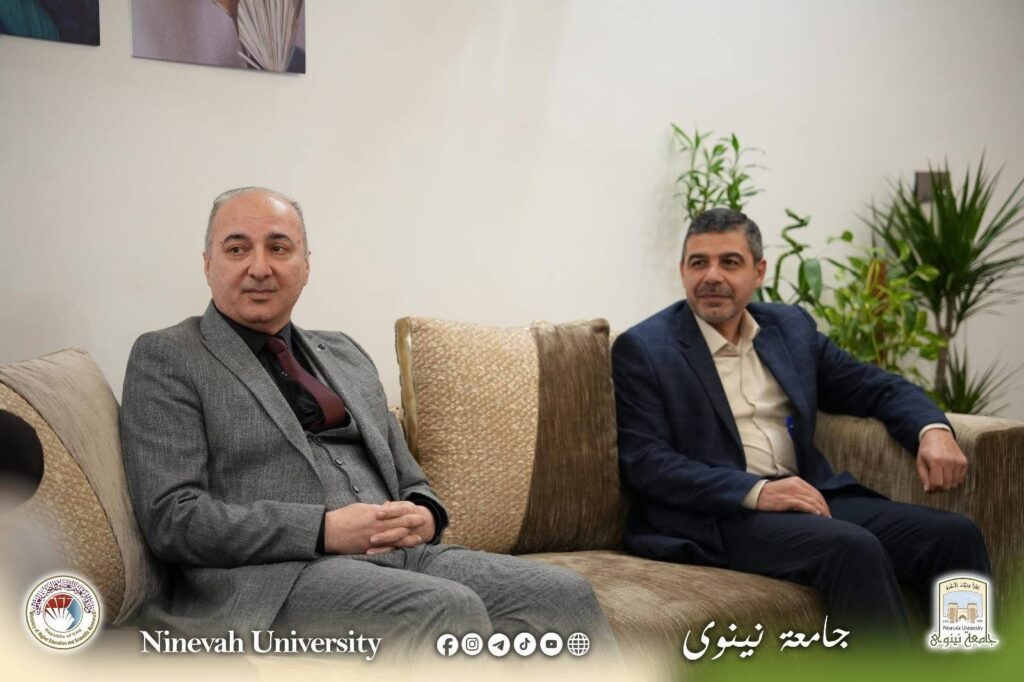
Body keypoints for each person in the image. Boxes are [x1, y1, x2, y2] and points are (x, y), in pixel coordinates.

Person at [120, 186, 616, 656]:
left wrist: (424, 515)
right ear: (207, 264)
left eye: (279, 248)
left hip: (401, 557)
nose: (260, 267)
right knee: (444, 609)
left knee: (564, 594)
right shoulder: (168, 356)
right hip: (275, 577)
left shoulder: (345, 353)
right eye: (236, 249)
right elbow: (172, 517)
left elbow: (411, 479)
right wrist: (322, 530)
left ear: (306, 266)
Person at [611, 207, 990, 636]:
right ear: (682, 271)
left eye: (729, 262)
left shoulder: (789, 329)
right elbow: (648, 463)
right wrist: (757, 492)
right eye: (699, 263)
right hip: (719, 515)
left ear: (758, 271)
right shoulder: (645, 349)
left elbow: (875, 387)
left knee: (955, 536)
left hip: (809, 495)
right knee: (852, 548)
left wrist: (932, 430)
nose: (712, 276)